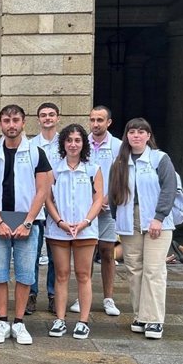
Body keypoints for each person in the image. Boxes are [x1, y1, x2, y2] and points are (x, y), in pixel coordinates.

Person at [0, 104, 51, 345]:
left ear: (23, 123)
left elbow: (43, 190)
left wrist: (28, 222)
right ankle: (2, 320)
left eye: (16, 120)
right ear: (0, 124)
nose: (11, 125)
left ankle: (19, 323)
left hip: (27, 222)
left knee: (25, 274)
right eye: (7, 120)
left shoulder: (36, 152)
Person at [109, 118, 177, 340]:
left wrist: (159, 217)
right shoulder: (120, 161)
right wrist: (115, 218)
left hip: (157, 220)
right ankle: (140, 315)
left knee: (154, 269)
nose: (136, 136)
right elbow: (114, 193)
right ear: (126, 136)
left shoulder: (160, 159)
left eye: (141, 132)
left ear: (148, 136)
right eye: (132, 132)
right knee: (134, 269)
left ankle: (155, 319)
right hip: (130, 220)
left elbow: (169, 189)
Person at [44, 124, 103, 339]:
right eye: (69, 140)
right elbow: (47, 198)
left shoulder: (92, 168)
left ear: (83, 144)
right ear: (63, 144)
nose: (73, 144)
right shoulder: (54, 169)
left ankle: (83, 321)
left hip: (85, 230)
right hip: (59, 230)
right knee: (61, 274)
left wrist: (86, 221)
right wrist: (59, 221)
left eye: (77, 140)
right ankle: (59, 319)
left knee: (83, 274)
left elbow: (98, 199)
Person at [76, 105, 122, 317]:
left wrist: (106, 199)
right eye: (92, 119)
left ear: (109, 122)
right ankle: (82, 296)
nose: (95, 124)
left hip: (107, 208)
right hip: (84, 208)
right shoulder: (81, 142)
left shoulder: (118, 146)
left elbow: (120, 177)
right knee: (86, 251)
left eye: (100, 120)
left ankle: (108, 298)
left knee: (106, 251)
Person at [28, 102, 62, 315]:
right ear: (38, 119)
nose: (47, 118)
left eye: (51, 115)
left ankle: (53, 294)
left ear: (57, 118)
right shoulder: (31, 146)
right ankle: (31, 293)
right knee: (32, 251)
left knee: (55, 254)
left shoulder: (66, 143)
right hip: (38, 205)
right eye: (43, 115)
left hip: (60, 205)